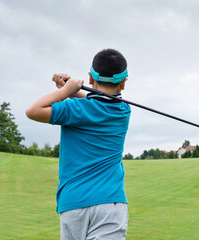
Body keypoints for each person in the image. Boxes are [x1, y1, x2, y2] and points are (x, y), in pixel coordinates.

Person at [26, 49, 131, 240]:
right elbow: (99, 103)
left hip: (73, 203)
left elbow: (33, 111)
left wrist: (65, 91)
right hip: (111, 203)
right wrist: (70, 92)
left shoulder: (73, 109)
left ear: (90, 79)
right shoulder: (123, 111)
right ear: (124, 82)